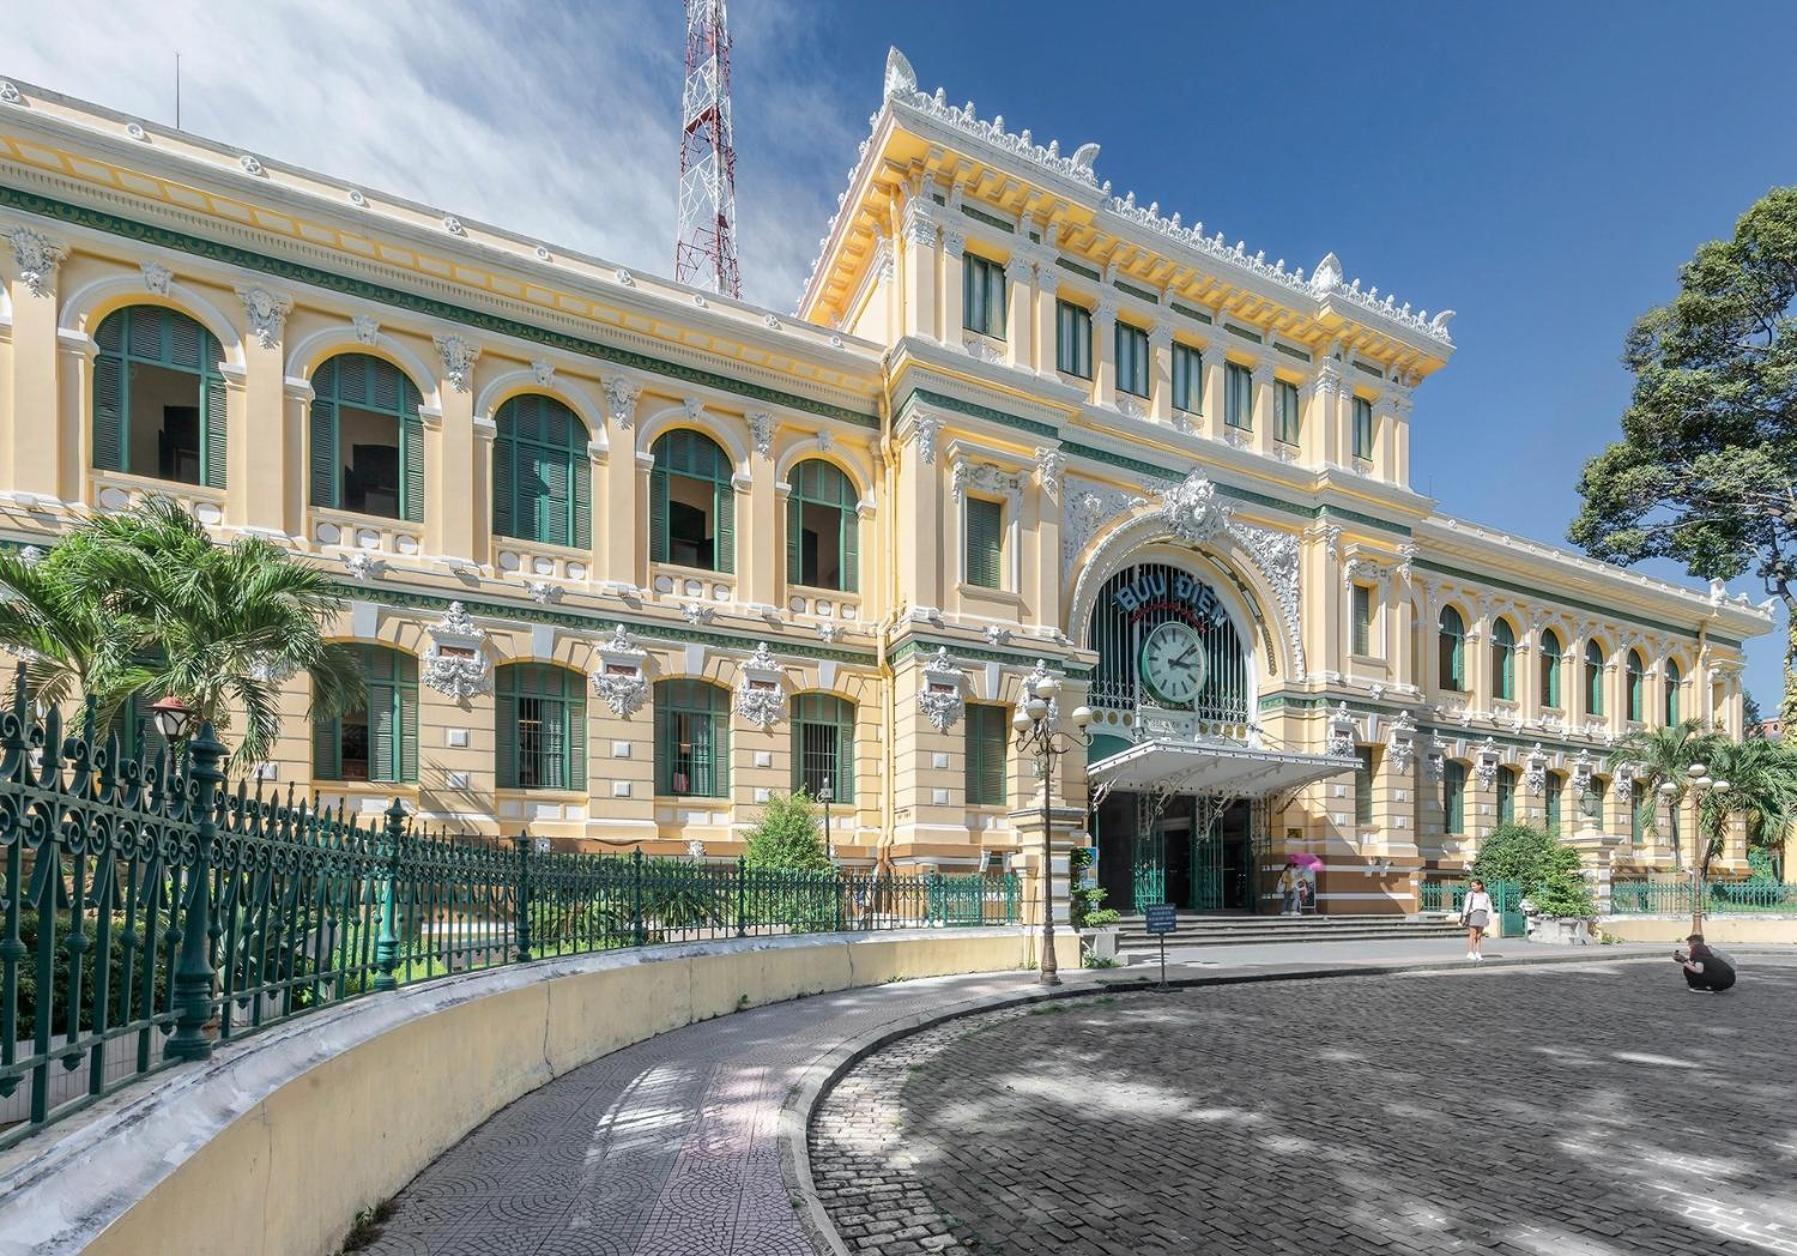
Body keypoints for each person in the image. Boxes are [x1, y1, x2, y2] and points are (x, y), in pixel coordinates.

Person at [1461, 879, 1494, 962]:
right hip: (1473, 914)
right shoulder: (1470, 894)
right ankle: (1470, 952)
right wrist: (1464, 915)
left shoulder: (1485, 895)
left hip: (1483, 914)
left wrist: (1489, 915)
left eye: (1474, 885)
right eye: (1472, 886)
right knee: (1473, 934)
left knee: (1479, 935)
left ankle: (1478, 953)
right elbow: (1467, 904)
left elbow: (1489, 905)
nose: (1473, 887)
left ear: (1480, 885)